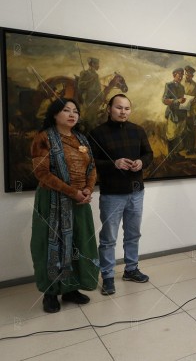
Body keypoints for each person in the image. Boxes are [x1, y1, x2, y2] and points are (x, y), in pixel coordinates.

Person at [30, 98, 98, 313]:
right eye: (66, 110)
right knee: (51, 245)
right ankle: (50, 293)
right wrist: (72, 192)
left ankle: (71, 288)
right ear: (54, 114)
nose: (72, 114)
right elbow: (42, 172)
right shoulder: (43, 138)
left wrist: (88, 189)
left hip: (80, 202)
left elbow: (92, 168)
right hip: (52, 201)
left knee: (78, 243)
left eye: (75, 111)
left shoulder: (81, 139)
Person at [89, 94, 154, 295]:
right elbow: (90, 162)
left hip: (136, 192)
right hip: (112, 194)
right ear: (109, 109)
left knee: (133, 234)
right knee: (108, 238)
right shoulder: (97, 133)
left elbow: (149, 154)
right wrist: (113, 164)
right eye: (118, 107)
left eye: (127, 108)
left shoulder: (138, 130)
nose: (123, 111)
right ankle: (107, 276)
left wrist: (142, 162)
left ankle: (131, 269)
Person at [162, 68, 187, 160]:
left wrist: (185, 102)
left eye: (182, 75)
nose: (181, 77)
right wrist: (177, 101)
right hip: (172, 114)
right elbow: (164, 100)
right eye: (179, 75)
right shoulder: (169, 85)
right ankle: (170, 155)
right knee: (171, 135)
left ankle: (176, 153)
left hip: (181, 114)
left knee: (178, 134)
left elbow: (182, 101)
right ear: (174, 75)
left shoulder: (182, 87)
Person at [77, 57, 101, 129]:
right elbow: (80, 85)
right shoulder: (84, 73)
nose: (98, 66)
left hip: (96, 99)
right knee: (87, 118)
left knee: (94, 118)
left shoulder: (96, 75)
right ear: (92, 64)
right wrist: (90, 81)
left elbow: (98, 88)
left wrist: (101, 95)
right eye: (97, 64)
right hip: (87, 98)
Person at [183, 65, 196, 154]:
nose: (187, 75)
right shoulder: (180, 83)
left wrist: (194, 100)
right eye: (186, 73)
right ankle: (182, 147)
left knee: (191, 129)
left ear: (192, 75)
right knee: (182, 129)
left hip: (191, 111)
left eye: (189, 74)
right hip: (181, 109)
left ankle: (190, 148)